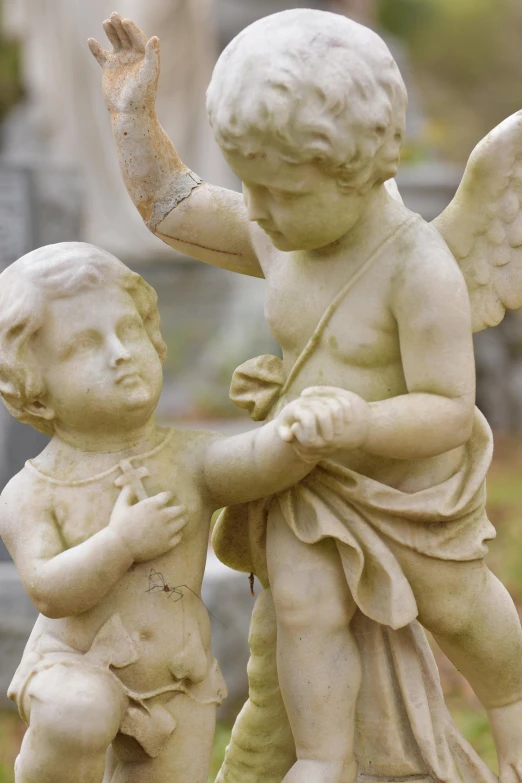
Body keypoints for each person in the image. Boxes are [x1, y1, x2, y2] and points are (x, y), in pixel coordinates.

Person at [89, 11, 522, 782]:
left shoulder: (419, 269)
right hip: (304, 472)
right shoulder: (277, 228)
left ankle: (514, 704)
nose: (254, 209)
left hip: (406, 489)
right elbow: (173, 206)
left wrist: (362, 419)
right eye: (249, 185)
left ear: (352, 170)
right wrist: (133, 119)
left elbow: (451, 408)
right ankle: (323, 756)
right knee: (302, 606)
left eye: (278, 191)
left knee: (461, 608)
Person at [0, 241, 345, 783]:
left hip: (176, 681)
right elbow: (47, 588)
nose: (119, 352)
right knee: (78, 712)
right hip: (75, 665)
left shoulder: (187, 459)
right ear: (34, 390)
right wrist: (121, 543)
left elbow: (255, 462)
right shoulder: (32, 491)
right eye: (84, 345)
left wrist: (300, 433)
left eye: (129, 330)